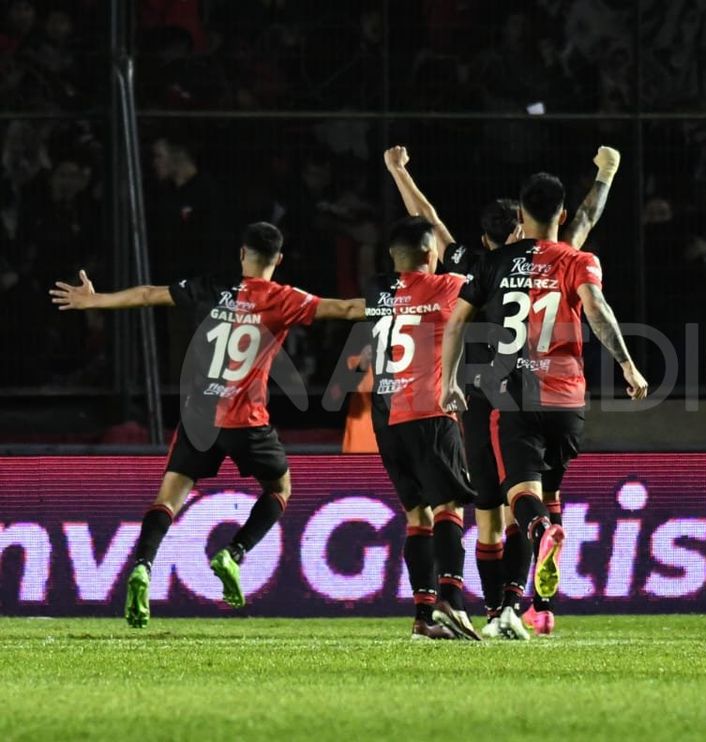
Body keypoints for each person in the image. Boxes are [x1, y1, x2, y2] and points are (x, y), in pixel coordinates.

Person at [49, 222, 364, 628]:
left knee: (170, 495)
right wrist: (406, 302)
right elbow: (346, 308)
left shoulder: (212, 287)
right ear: (279, 260)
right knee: (280, 487)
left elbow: (148, 294)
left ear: (241, 254)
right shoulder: (283, 298)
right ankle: (234, 552)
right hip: (246, 419)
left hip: (199, 415)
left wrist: (96, 301)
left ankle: (143, 564)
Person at [385, 144, 619, 638]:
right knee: (534, 497)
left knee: (489, 513)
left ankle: (496, 610)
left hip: (478, 396)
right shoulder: (554, 258)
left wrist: (399, 173)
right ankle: (529, 605)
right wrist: (605, 174)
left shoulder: (471, 264)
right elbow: (586, 221)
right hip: (536, 391)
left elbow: (427, 220)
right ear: (520, 229)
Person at [440, 171, 648, 632]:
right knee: (550, 494)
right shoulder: (578, 259)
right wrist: (628, 364)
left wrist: (447, 383)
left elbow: (456, 323)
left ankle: (539, 537)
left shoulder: (492, 263)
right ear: (564, 215)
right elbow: (596, 308)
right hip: (567, 400)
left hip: (512, 396)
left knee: (521, 497)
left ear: (520, 216)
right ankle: (541, 605)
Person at [363, 216, 481, 640]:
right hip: (430, 410)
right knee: (450, 507)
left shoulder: (376, 289)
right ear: (432, 255)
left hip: (387, 419)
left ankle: (423, 618)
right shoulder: (447, 287)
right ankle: (453, 596)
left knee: (417, 515)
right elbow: (473, 275)